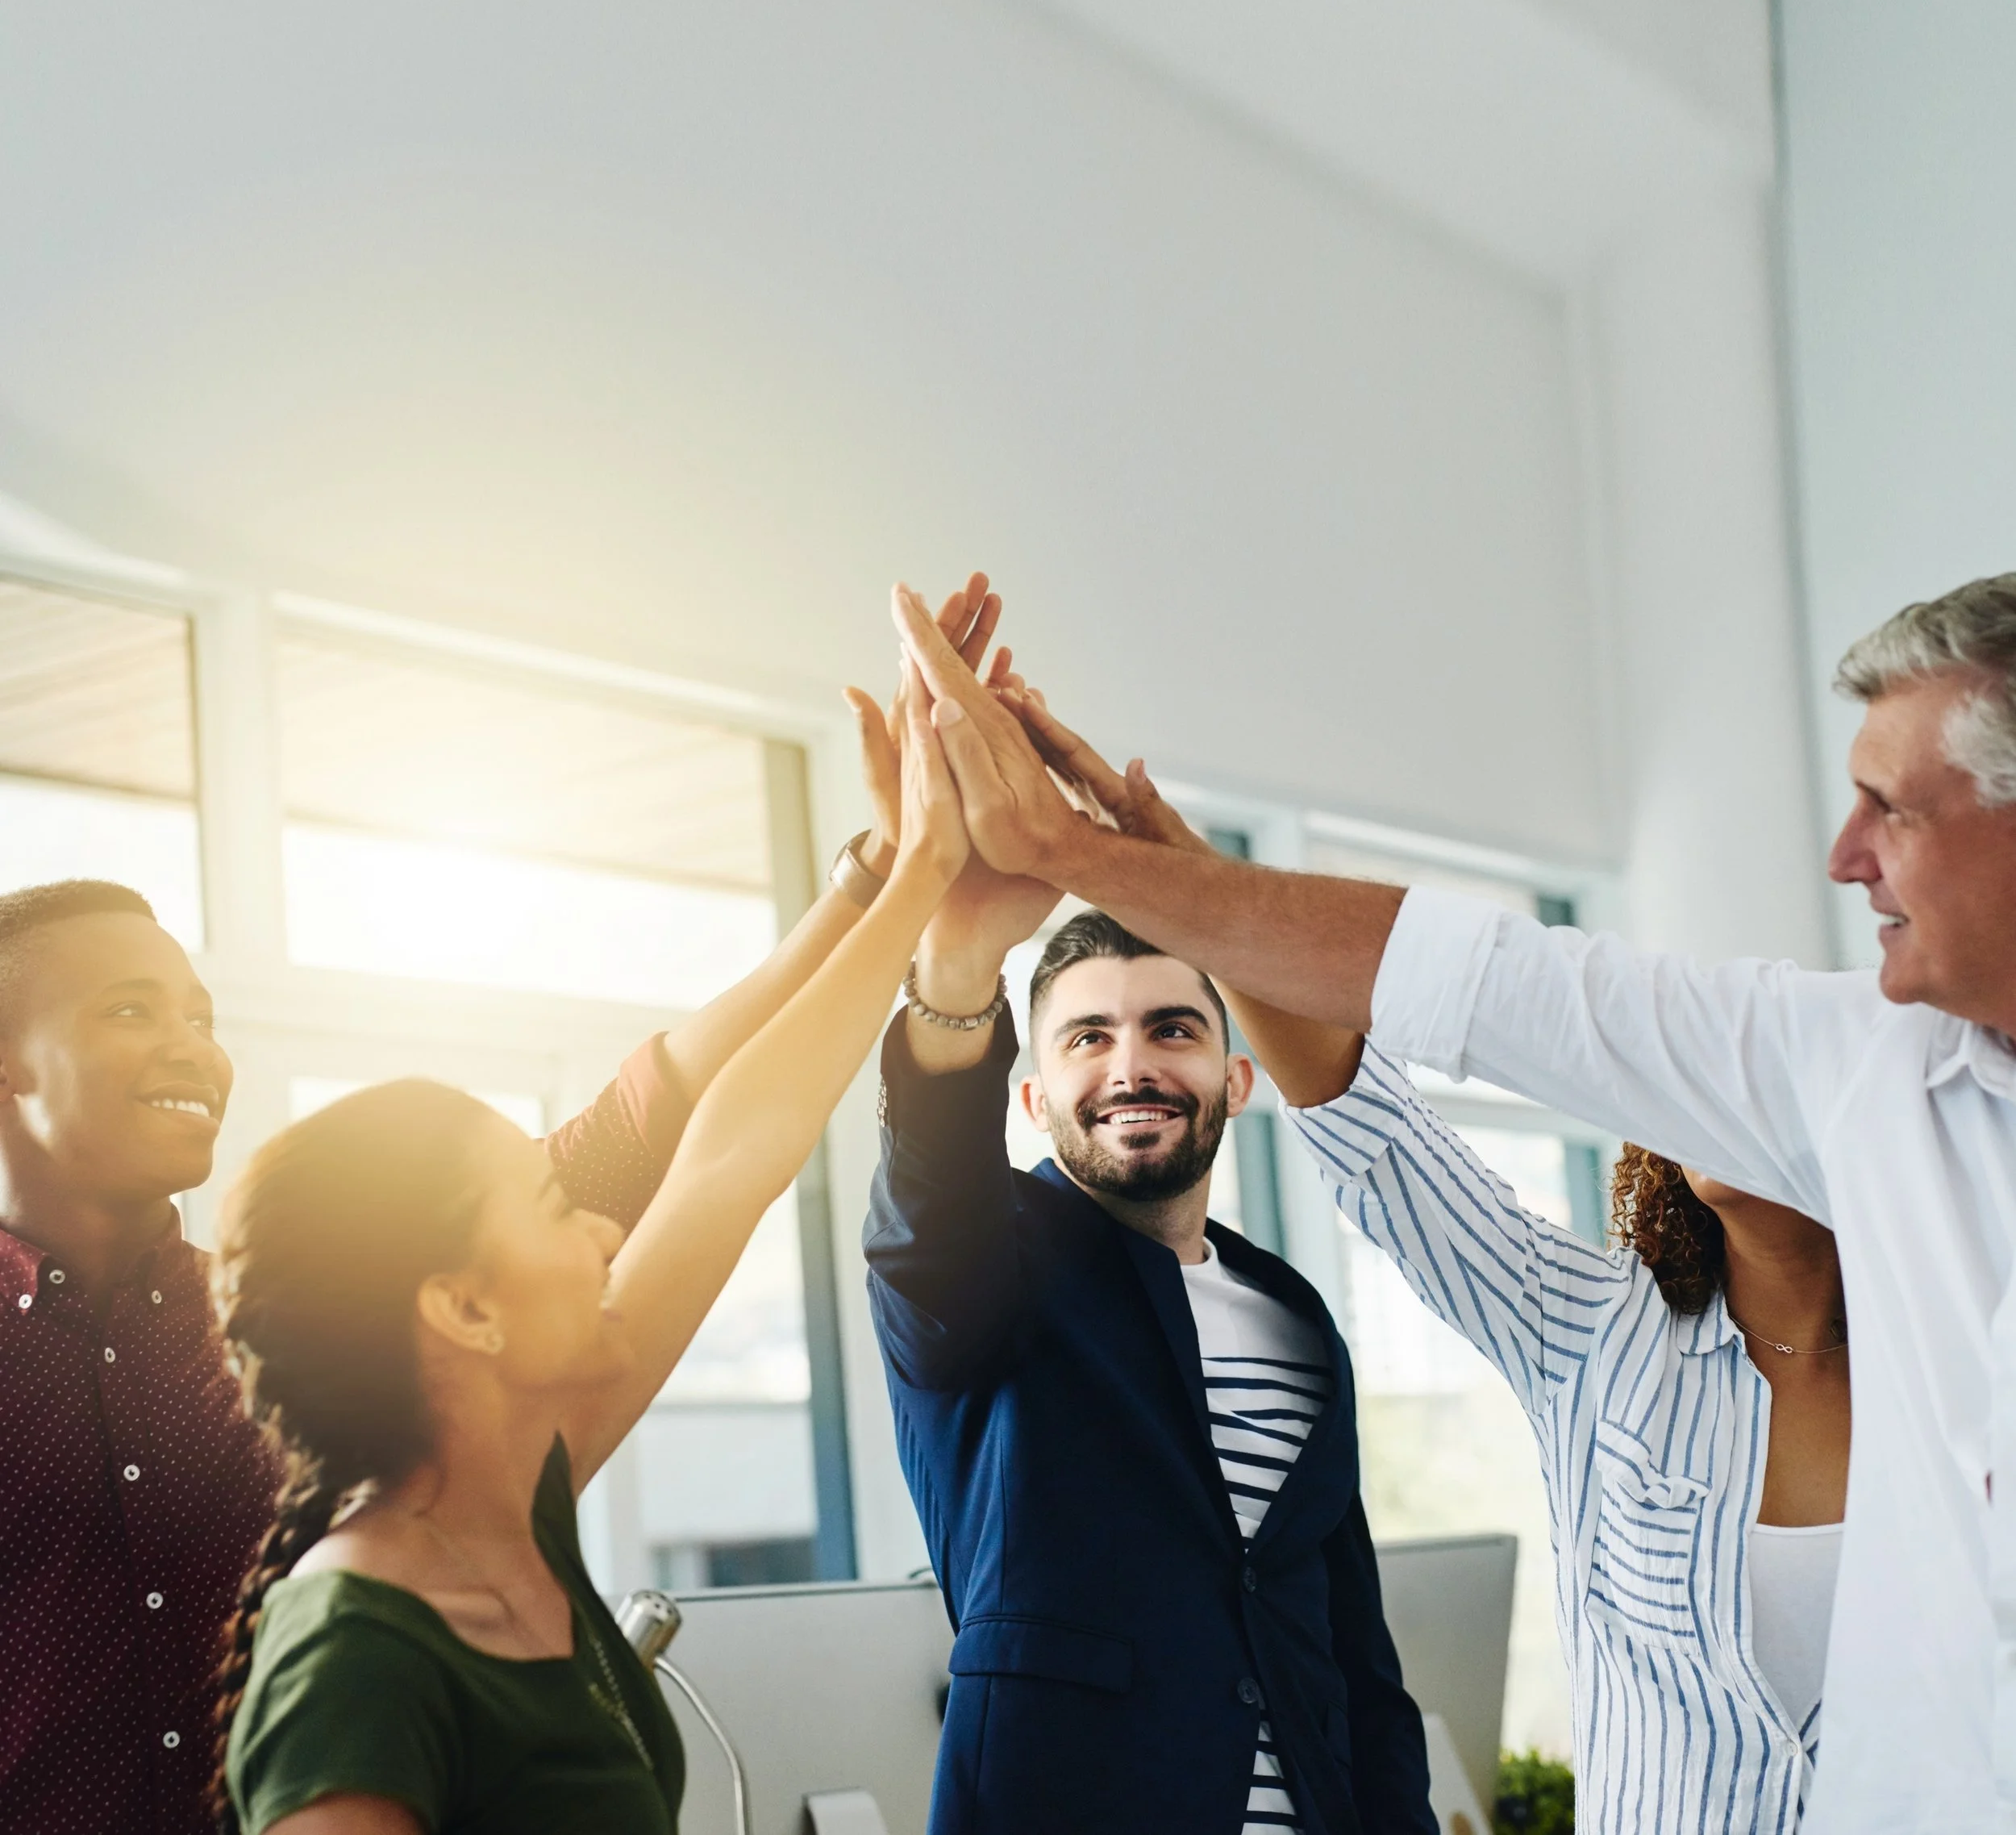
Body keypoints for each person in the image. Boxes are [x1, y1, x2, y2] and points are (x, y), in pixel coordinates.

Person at [891, 569, 2016, 1834]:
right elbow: (1397, 1080)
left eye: (1894, 807)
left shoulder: (1947, 1290)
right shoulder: (1601, 1331)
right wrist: (1130, 865)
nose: (1847, 853)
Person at [0, 576, 999, 1835]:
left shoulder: (333, 1325)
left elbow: (689, 1130)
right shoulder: (356, 1614)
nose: (193, 1047)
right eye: (131, 1011)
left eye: (203, 1012)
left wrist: (891, 877)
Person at [861, 802, 1435, 1833]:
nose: (1131, 1066)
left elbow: (1356, 1654)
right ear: (1033, 1099)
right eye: (1090, 1037)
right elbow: (928, 1205)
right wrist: (957, 964)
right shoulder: (983, 1265)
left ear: (1237, 1080)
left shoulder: (1295, 1317)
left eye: (1173, 1028)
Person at [1257, 1015, 1849, 1828]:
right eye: (1704, 1072)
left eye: (1763, 1072)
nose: (1723, 1094)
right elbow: (1370, 1128)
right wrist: (1163, 888)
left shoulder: (1959, 1376)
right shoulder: (1589, 1327)